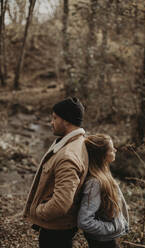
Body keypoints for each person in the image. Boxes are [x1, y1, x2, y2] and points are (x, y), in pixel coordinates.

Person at [23, 97, 89, 248]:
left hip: (56, 231)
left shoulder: (67, 156)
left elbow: (61, 203)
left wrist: (40, 211)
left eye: (54, 118)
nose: (51, 122)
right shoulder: (74, 142)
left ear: (66, 120)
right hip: (59, 228)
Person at [78, 134, 129, 248]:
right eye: (111, 149)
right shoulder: (94, 183)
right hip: (102, 243)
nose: (115, 150)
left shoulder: (103, 174)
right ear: (102, 155)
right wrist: (113, 227)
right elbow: (84, 221)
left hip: (107, 239)